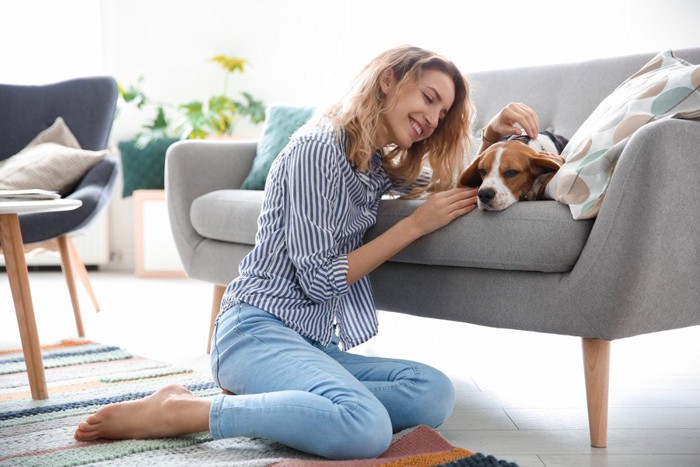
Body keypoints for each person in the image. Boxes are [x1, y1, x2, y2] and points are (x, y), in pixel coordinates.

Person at [74, 45, 541, 459]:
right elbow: (319, 280)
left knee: (432, 393)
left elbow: (444, 180)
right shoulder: (317, 150)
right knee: (366, 428)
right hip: (256, 329)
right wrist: (415, 226)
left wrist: (491, 140)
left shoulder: (374, 167)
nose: (432, 119)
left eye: (442, 114)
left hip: (312, 342)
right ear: (388, 81)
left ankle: (296, 402)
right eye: (429, 99)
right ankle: (182, 411)